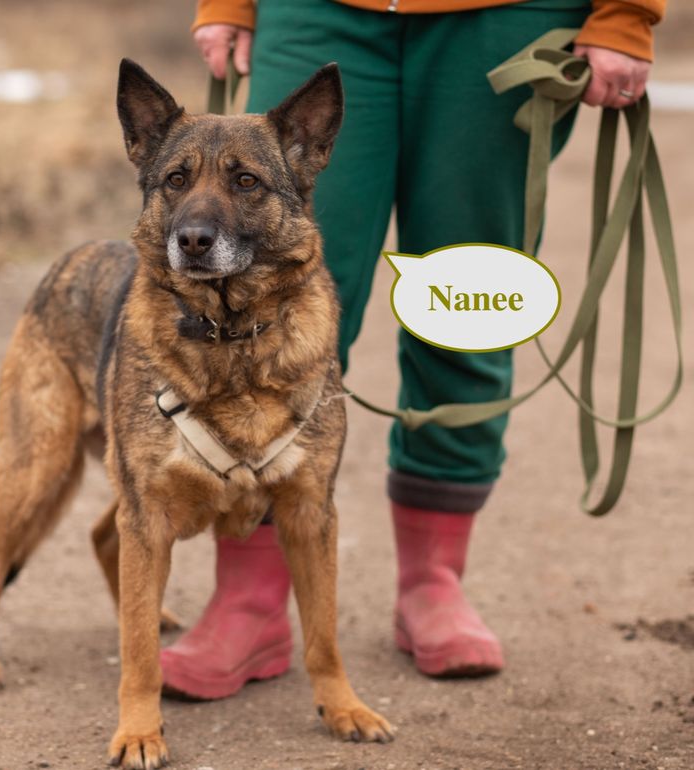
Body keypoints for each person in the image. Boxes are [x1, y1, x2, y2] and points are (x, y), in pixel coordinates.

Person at [159, 0, 664, 698]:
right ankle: (249, 599)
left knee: (468, 296)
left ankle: (434, 582)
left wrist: (626, 14)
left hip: (504, 19)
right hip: (316, 13)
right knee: (263, 298)